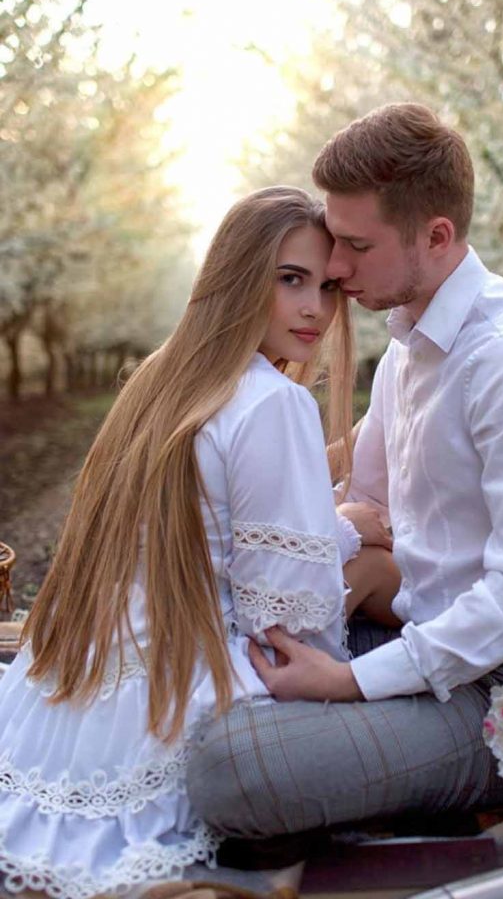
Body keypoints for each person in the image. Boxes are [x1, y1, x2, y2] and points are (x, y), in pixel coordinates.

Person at [187, 103, 503, 850]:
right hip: (417, 635)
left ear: (436, 236)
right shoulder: (411, 346)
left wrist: (348, 684)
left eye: (355, 245)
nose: (335, 269)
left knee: (230, 766)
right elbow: (366, 499)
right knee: (212, 664)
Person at [0, 186, 395, 898]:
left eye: (328, 287)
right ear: (239, 277)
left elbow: (198, 521)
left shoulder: (162, 377)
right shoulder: (273, 401)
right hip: (177, 683)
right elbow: (289, 615)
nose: (315, 308)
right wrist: (345, 536)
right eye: (290, 279)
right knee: (375, 567)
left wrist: (328, 506)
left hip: (78, 684)